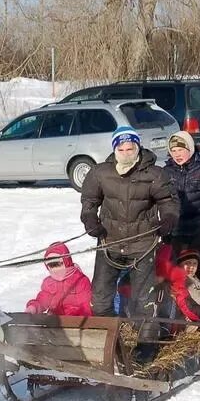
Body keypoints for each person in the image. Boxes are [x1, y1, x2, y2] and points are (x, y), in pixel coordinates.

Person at [81, 126, 180, 359]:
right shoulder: (100, 173)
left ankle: (146, 345)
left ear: (138, 147)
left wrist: (168, 218)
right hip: (109, 243)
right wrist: (89, 219)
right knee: (100, 296)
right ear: (115, 149)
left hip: (142, 245)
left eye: (130, 147)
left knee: (142, 298)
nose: (126, 152)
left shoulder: (155, 174)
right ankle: (109, 341)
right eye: (121, 148)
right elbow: (89, 200)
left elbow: (169, 201)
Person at [163, 131, 200, 264]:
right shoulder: (166, 171)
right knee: (174, 269)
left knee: (193, 268)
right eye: (173, 150)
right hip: (177, 228)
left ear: (189, 148)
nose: (177, 154)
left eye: (180, 149)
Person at [24, 242, 92, 316]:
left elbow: (85, 306)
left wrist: (80, 323)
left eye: (57, 264)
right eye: (51, 265)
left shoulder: (80, 280)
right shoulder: (49, 283)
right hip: (55, 321)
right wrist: (34, 307)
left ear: (66, 261)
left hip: (75, 322)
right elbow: (43, 300)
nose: (55, 269)